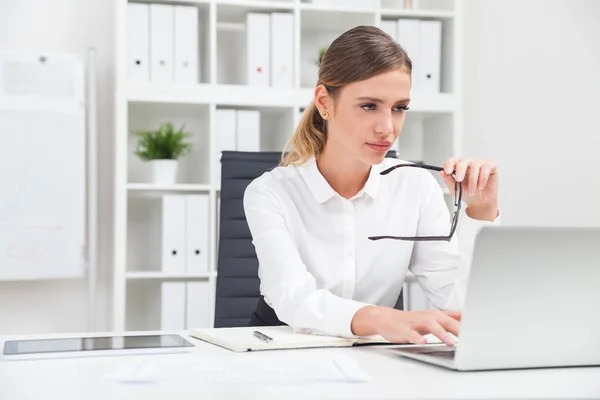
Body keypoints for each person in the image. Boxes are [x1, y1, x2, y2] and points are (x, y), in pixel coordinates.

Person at [243, 25, 500, 347]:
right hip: (281, 351)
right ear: (325, 101)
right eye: (369, 106)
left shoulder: (416, 186)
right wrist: (382, 317)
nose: (387, 128)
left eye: (399, 108)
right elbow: (294, 298)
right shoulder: (270, 192)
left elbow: (459, 307)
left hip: (374, 356)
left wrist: (480, 211)